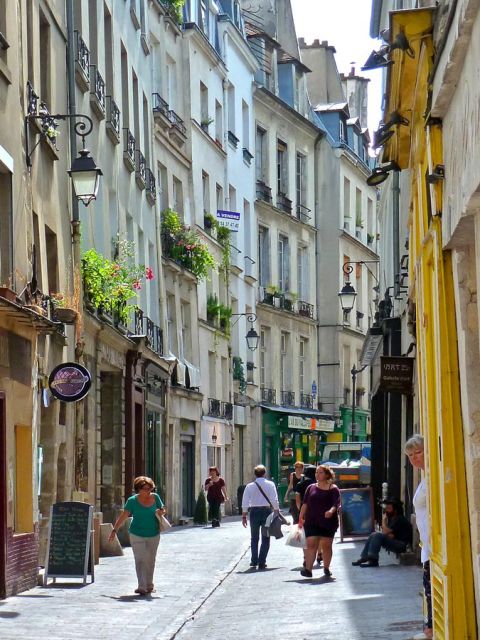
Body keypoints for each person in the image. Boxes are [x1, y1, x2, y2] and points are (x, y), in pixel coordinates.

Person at [108, 475, 166, 595]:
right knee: (140, 559)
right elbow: (124, 516)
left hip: (153, 533)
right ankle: (141, 586)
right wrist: (114, 530)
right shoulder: (132, 501)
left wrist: (161, 511)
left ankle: (149, 584)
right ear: (138, 489)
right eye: (144, 489)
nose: (147, 491)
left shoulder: (155, 497)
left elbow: (163, 509)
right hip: (136, 534)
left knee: (150, 560)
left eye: (149, 488)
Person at [405, 434, 432, 639]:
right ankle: (429, 629)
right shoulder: (425, 477)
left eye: (418, 452)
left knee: (430, 586)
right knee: (428, 586)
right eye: (410, 455)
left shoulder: (433, 477)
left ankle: (430, 630)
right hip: (428, 544)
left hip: (434, 543)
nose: (414, 457)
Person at [298, 465, 340, 578]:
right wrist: (301, 517)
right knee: (311, 544)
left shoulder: (333, 488)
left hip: (328, 522)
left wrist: (331, 512)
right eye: (316, 472)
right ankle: (308, 570)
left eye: (320, 472)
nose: (317, 474)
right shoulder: (310, 488)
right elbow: (305, 504)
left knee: (326, 545)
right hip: (311, 520)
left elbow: (336, 504)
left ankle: (326, 567)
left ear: (327, 474)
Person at [351, 497, 412, 567]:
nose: (386, 511)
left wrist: (383, 520)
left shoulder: (399, 519)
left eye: (389, 509)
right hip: (396, 542)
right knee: (373, 535)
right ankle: (364, 558)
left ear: (395, 511)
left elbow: (385, 532)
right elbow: (390, 535)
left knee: (377, 535)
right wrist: (386, 534)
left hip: (402, 546)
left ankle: (373, 560)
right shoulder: (393, 519)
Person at [241, 464, 279, 569]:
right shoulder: (270, 484)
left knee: (254, 537)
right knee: (265, 537)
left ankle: (254, 560)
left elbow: (245, 501)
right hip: (266, 511)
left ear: (255, 474)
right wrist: (276, 511)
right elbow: (274, 499)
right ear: (264, 473)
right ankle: (262, 561)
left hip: (254, 511)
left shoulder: (249, 486)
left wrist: (244, 515)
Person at [294, 465, 323, 566]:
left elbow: (297, 500)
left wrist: (300, 511)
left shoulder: (300, 484)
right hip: (318, 512)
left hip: (305, 512)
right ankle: (319, 553)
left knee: (305, 535)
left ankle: (306, 557)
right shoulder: (318, 484)